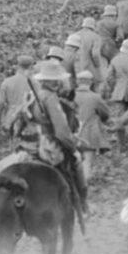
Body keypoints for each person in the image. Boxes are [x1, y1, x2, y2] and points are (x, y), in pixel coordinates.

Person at [26, 61, 87, 216]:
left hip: (34, 139)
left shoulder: (33, 95)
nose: (55, 82)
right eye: (51, 79)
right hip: (50, 142)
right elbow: (62, 131)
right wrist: (75, 145)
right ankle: (82, 203)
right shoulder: (51, 98)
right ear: (43, 80)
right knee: (77, 161)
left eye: (56, 79)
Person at [73, 70, 111, 188]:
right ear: (90, 82)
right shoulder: (95, 97)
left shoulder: (69, 96)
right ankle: (84, 187)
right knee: (87, 163)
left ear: (77, 82)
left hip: (71, 133)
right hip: (88, 133)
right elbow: (105, 114)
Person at [0, 55, 35, 148]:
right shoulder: (35, 83)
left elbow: (1, 103)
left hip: (11, 117)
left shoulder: (7, 82)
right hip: (29, 117)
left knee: (11, 145)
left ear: (17, 66)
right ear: (31, 67)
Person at [75, 17, 103, 91]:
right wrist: (98, 65)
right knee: (93, 87)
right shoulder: (95, 37)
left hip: (76, 66)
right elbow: (95, 54)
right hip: (89, 66)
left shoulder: (74, 35)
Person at [96, 5, 122, 79]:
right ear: (114, 15)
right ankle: (111, 78)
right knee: (114, 63)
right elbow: (120, 37)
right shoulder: (116, 24)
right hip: (111, 45)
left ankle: (103, 79)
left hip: (99, 44)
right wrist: (117, 43)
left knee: (102, 65)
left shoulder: (98, 23)